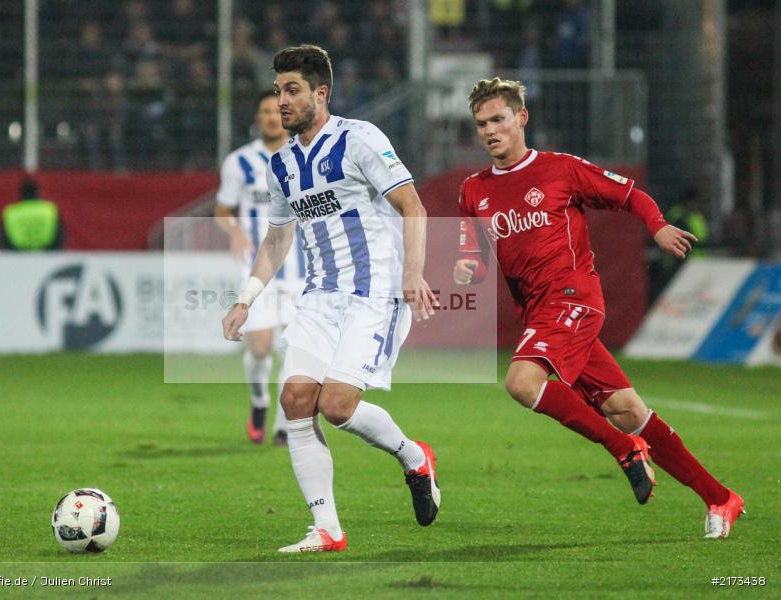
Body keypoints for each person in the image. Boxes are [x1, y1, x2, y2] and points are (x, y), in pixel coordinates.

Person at [453, 78, 743, 539]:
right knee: (629, 410)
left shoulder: (560, 169)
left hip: (573, 299)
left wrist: (659, 226)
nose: (490, 131)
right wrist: (468, 268)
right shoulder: (474, 190)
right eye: (481, 123)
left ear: (521, 118)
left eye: (499, 119)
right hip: (541, 314)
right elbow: (475, 255)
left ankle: (625, 451)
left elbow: (629, 194)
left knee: (522, 381)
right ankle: (720, 497)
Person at [222, 45, 440, 552]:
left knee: (338, 406)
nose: (282, 101)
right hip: (320, 296)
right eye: (278, 91)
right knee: (296, 399)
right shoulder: (281, 165)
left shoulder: (360, 139)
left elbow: (413, 205)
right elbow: (277, 239)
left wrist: (412, 273)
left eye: (292, 90)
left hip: (374, 294)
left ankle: (414, 457)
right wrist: (245, 300)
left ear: (321, 92)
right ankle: (327, 530)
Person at [215, 90, 303, 446]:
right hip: (257, 267)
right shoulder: (240, 162)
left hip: (302, 270)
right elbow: (223, 210)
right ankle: (259, 400)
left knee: (294, 349)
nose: (271, 117)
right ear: (258, 118)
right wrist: (235, 231)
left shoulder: (304, 158)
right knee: (261, 348)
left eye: (275, 111)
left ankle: (284, 425)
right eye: (264, 111)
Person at [0, 179, 65, 251]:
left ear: (21, 194)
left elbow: (3, 239)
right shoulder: (49, 210)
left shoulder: (11, 212)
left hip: (18, 257)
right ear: (38, 193)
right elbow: (59, 236)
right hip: (46, 255)